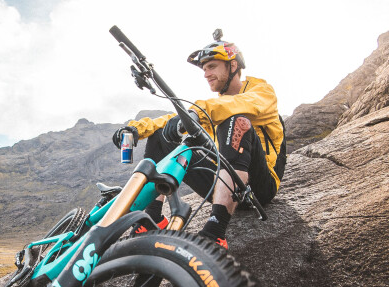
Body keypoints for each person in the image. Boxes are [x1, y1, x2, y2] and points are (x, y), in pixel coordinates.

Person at [111, 30, 286, 249]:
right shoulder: (217, 105)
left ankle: (216, 230)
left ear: (233, 66)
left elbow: (239, 106)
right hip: (224, 184)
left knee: (235, 120)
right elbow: (174, 118)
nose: (206, 74)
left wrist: (197, 113)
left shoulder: (262, 92)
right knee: (160, 135)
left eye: (212, 66)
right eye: (204, 69)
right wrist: (136, 128)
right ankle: (153, 218)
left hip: (259, 187)